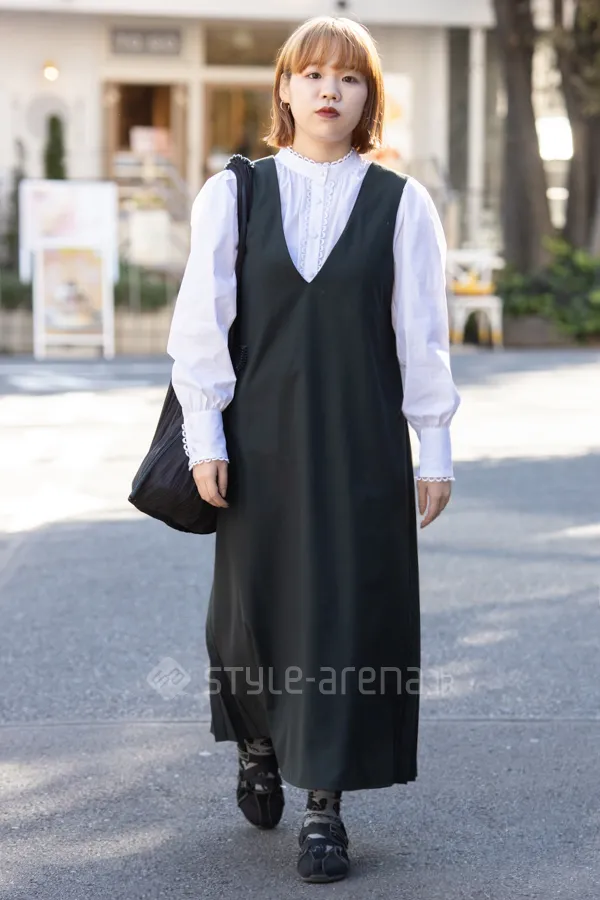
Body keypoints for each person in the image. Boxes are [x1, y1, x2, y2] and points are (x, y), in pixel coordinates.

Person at [167, 15, 461, 885]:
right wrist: (203, 435)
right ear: (285, 89)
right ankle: (258, 742)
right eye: (314, 74)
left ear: (371, 98)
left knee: (347, 614)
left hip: (362, 441)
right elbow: (201, 327)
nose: (331, 90)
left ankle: (324, 806)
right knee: (251, 610)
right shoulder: (235, 193)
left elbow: (422, 336)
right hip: (256, 441)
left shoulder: (402, 204)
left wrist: (435, 447)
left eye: (351, 77)